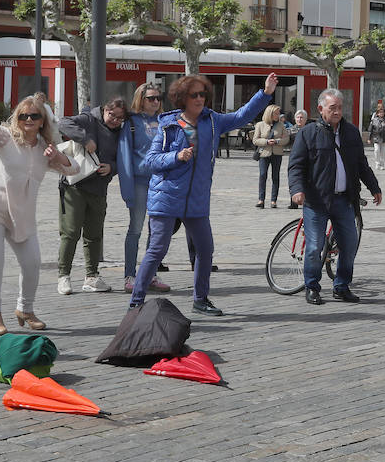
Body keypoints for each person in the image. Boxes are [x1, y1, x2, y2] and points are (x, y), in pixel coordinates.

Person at [129, 72, 278, 316]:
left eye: (203, 94)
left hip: (196, 199)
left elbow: (242, 115)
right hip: (166, 197)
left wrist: (266, 93)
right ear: (182, 98)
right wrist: (176, 156)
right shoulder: (168, 124)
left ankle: (200, 300)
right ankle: (136, 301)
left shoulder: (213, 120)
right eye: (194, 95)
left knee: (205, 250)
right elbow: (151, 161)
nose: (200, 98)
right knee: (157, 250)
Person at [0, 95, 74, 335]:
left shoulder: (45, 151)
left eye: (34, 116)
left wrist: (57, 156)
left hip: (21, 215)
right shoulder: (4, 137)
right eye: (23, 115)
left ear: (42, 121)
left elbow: (73, 169)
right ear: (17, 118)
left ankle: (25, 309)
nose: (28, 119)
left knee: (32, 263)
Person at [288, 87, 382, 305]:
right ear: (321, 109)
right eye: (333, 108)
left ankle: (341, 286)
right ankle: (312, 286)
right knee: (314, 247)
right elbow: (296, 166)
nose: (337, 112)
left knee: (349, 244)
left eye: (340, 107)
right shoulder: (308, 133)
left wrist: (374, 187)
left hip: (344, 199)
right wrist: (296, 190)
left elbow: (361, 164)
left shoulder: (351, 132)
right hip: (316, 200)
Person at [56, 98, 126, 295]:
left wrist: (112, 168)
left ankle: (92, 277)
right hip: (74, 186)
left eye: (120, 118)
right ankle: (64, 276)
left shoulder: (121, 132)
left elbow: (124, 158)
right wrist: (85, 139)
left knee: (94, 235)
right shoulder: (89, 119)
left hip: (98, 188)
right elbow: (63, 122)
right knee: (70, 233)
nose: (115, 120)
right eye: (112, 115)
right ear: (105, 110)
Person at [117, 84, 170, 293]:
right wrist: (127, 189)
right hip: (140, 182)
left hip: (161, 182)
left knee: (156, 232)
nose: (155, 102)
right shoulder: (131, 123)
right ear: (141, 99)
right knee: (136, 229)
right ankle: (129, 275)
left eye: (158, 98)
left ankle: (150, 274)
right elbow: (124, 157)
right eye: (151, 98)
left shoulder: (165, 121)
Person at [252, 103, 292, 208]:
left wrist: (277, 141)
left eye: (278, 113)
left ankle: (273, 200)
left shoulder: (281, 125)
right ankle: (261, 199)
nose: (278, 115)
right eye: (276, 113)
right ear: (270, 113)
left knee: (275, 176)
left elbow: (286, 139)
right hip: (264, 154)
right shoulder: (260, 125)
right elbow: (255, 140)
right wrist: (266, 141)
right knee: (262, 175)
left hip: (277, 153)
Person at [287, 108, 311, 208]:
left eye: (302, 117)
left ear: (305, 119)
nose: (300, 119)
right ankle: (293, 202)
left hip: (308, 157)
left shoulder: (310, 130)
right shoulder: (290, 130)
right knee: (294, 177)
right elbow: (286, 142)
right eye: (298, 117)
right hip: (294, 156)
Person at [367, 99, 385, 171]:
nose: (381, 113)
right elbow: (370, 130)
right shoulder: (374, 120)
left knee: (383, 152)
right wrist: (369, 138)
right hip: (376, 137)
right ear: (377, 113)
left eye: (382, 112)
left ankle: (382, 164)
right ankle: (377, 163)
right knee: (376, 150)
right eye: (380, 112)